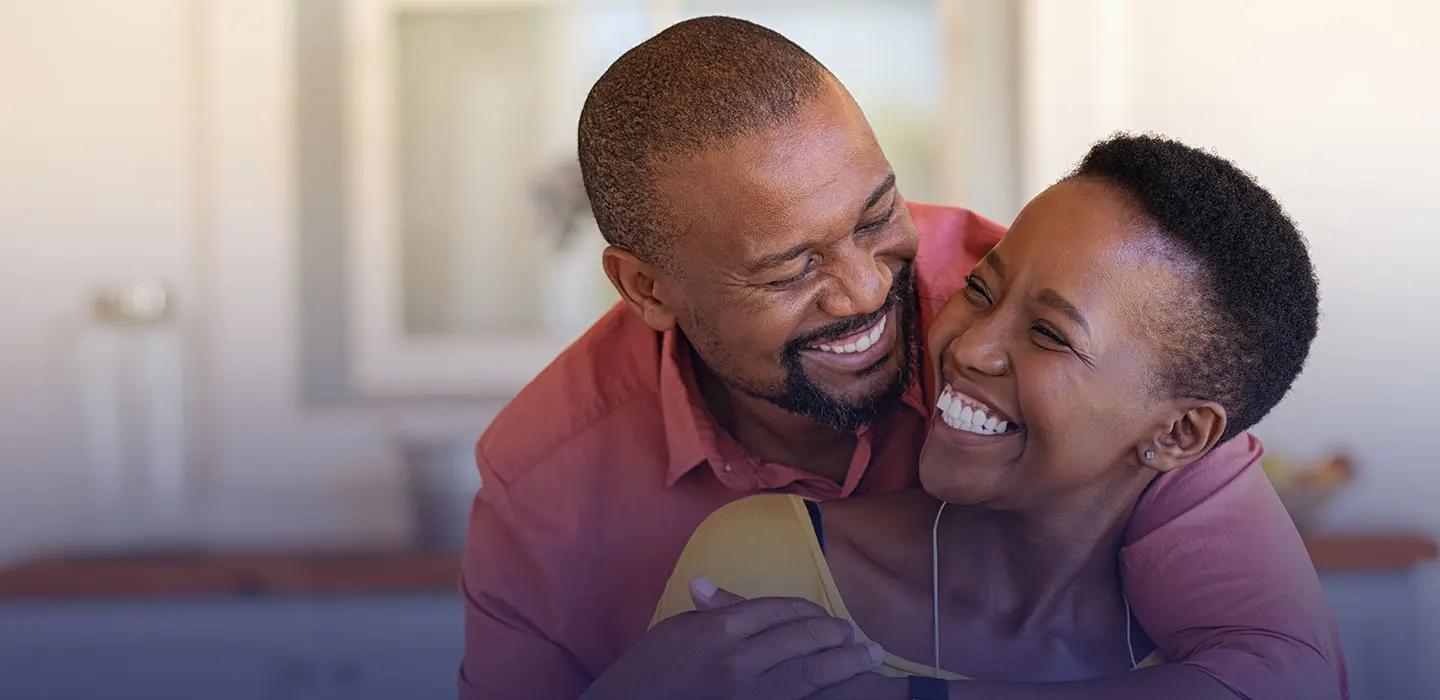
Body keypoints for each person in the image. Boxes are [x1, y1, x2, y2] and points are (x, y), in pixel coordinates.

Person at [459, 16, 1345, 700]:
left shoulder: (1039, 320)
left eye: (877, 215)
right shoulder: (545, 481)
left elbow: (1282, 671)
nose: (862, 293)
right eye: (791, 267)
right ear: (647, 290)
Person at [652, 133, 1343, 700]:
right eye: (981, 288)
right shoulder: (765, 571)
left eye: (1048, 334)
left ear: (1178, 434)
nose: (970, 346)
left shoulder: (1217, 665)